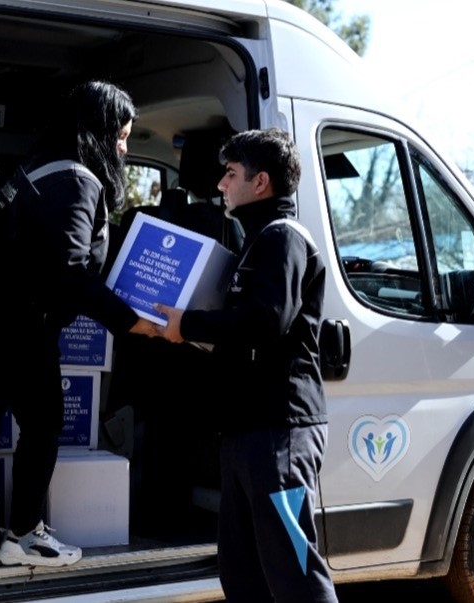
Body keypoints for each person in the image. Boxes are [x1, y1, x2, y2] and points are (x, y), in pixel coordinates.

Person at [154, 128, 338, 602]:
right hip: (247, 430)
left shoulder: (282, 238)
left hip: (280, 432)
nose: (221, 184)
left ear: (261, 182)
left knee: (294, 571)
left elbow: (266, 320)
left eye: (231, 174)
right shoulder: (257, 240)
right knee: (242, 573)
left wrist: (189, 324)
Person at [0, 80, 158, 567]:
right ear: (98, 131)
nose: (123, 149)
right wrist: (131, 322)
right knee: (44, 426)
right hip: (26, 328)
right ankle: (23, 538)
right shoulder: (76, 180)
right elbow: (70, 274)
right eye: (120, 137)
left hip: (1, 323)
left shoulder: (39, 167)